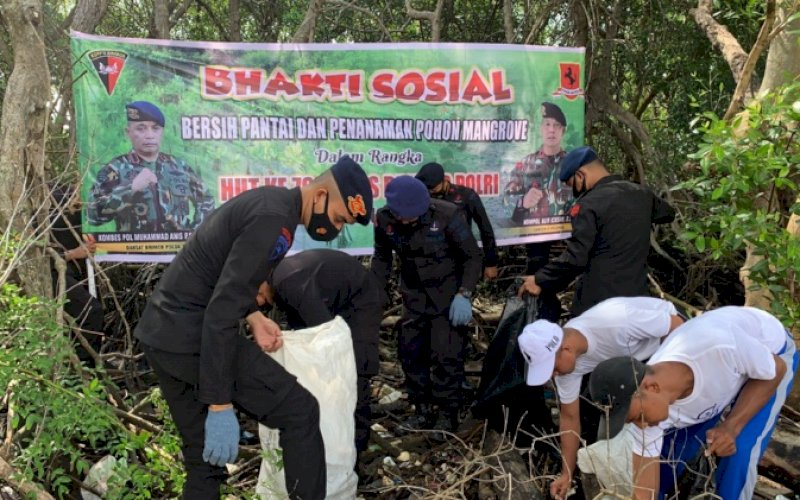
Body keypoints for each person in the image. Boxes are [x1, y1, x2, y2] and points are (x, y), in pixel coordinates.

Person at [134, 156, 373, 499]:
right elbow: (220, 312)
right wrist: (219, 403)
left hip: (162, 335)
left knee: (204, 462)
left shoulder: (271, 205)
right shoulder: (275, 221)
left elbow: (226, 277)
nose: (335, 228)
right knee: (300, 411)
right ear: (321, 195)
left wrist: (255, 316)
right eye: (338, 218)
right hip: (193, 335)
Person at [590, 306, 797, 500]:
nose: (641, 426)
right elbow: (644, 487)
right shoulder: (645, 404)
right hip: (721, 381)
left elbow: (776, 369)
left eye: (639, 417)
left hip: (771, 357)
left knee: (739, 452)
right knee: (669, 456)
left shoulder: (720, 346)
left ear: (652, 387)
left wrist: (731, 427)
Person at [518, 297, 684, 499]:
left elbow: (677, 326)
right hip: (623, 376)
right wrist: (567, 474)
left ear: (567, 349)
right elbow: (569, 417)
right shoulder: (566, 370)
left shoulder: (616, 322)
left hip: (664, 350)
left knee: (655, 432)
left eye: (552, 368)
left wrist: (665, 389)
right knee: (607, 444)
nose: (553, 375)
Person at [371, 176, 482, 431]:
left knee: (446, 355)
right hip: (414, 296)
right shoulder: (384, 219)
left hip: (448, 296)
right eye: (402, 216)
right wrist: (375, 292)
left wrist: (464, 293)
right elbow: (382, 257)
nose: (406, 221)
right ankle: (421, 409)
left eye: (412, 216)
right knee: (411, 352)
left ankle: (447, 413)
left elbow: (472, 257)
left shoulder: (448, 215)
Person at [518, 146, 675, 317]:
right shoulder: (642, 194)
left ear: (580, 175)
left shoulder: (589, 204)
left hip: (598, 304)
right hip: (637, 299)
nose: (575, 192)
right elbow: (668, 214)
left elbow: (576, 259)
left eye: (573, 185)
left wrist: (540, 279)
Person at [256, 249, 383, 457]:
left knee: (353, 368)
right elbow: (303, 331)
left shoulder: (287, 282)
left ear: (261, 279)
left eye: (259, 294)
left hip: (359, 300)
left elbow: (324, 333)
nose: (260, 301)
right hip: (332, 301)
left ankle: (356, 446)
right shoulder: (280, 286)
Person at [88, 101, 215, 232]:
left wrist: (196, 233)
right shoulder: (115, 169)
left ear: (162, 132)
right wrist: (131, 189)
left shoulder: (179, 166)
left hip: (179, 244)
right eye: (141, 128)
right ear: (128, 132)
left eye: (155, 128)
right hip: (133, 244)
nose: (149, 135)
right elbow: (93, 216)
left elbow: (206, 200)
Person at [517, 101, 572, 322]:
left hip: (569, 239)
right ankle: (539, 320)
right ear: (541, 128)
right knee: (537, 282)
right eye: (547, 124)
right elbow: (506, 197)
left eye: (556, 126)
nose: (551, 130)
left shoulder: (573, 163)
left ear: (563, 131)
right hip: (537, 239)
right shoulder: (527, 163)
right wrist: (522, 202)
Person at [49, 184, 104, 365]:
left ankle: (87, 361)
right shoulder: (50, 200)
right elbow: (34, 254)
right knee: (91, 310)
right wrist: (73, 254)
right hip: (51, 273)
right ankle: (83, 367)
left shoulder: (94, 198)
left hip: (74, 271)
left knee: (91, 311)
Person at [415, 162, 498, 280]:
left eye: (433, 188)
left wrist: (491, 262)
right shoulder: (423, 198)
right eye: (427, 188)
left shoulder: (467, 196)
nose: (430, 192)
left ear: (444, 180)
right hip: (433, 261)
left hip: (462, 258)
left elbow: (485, 227)